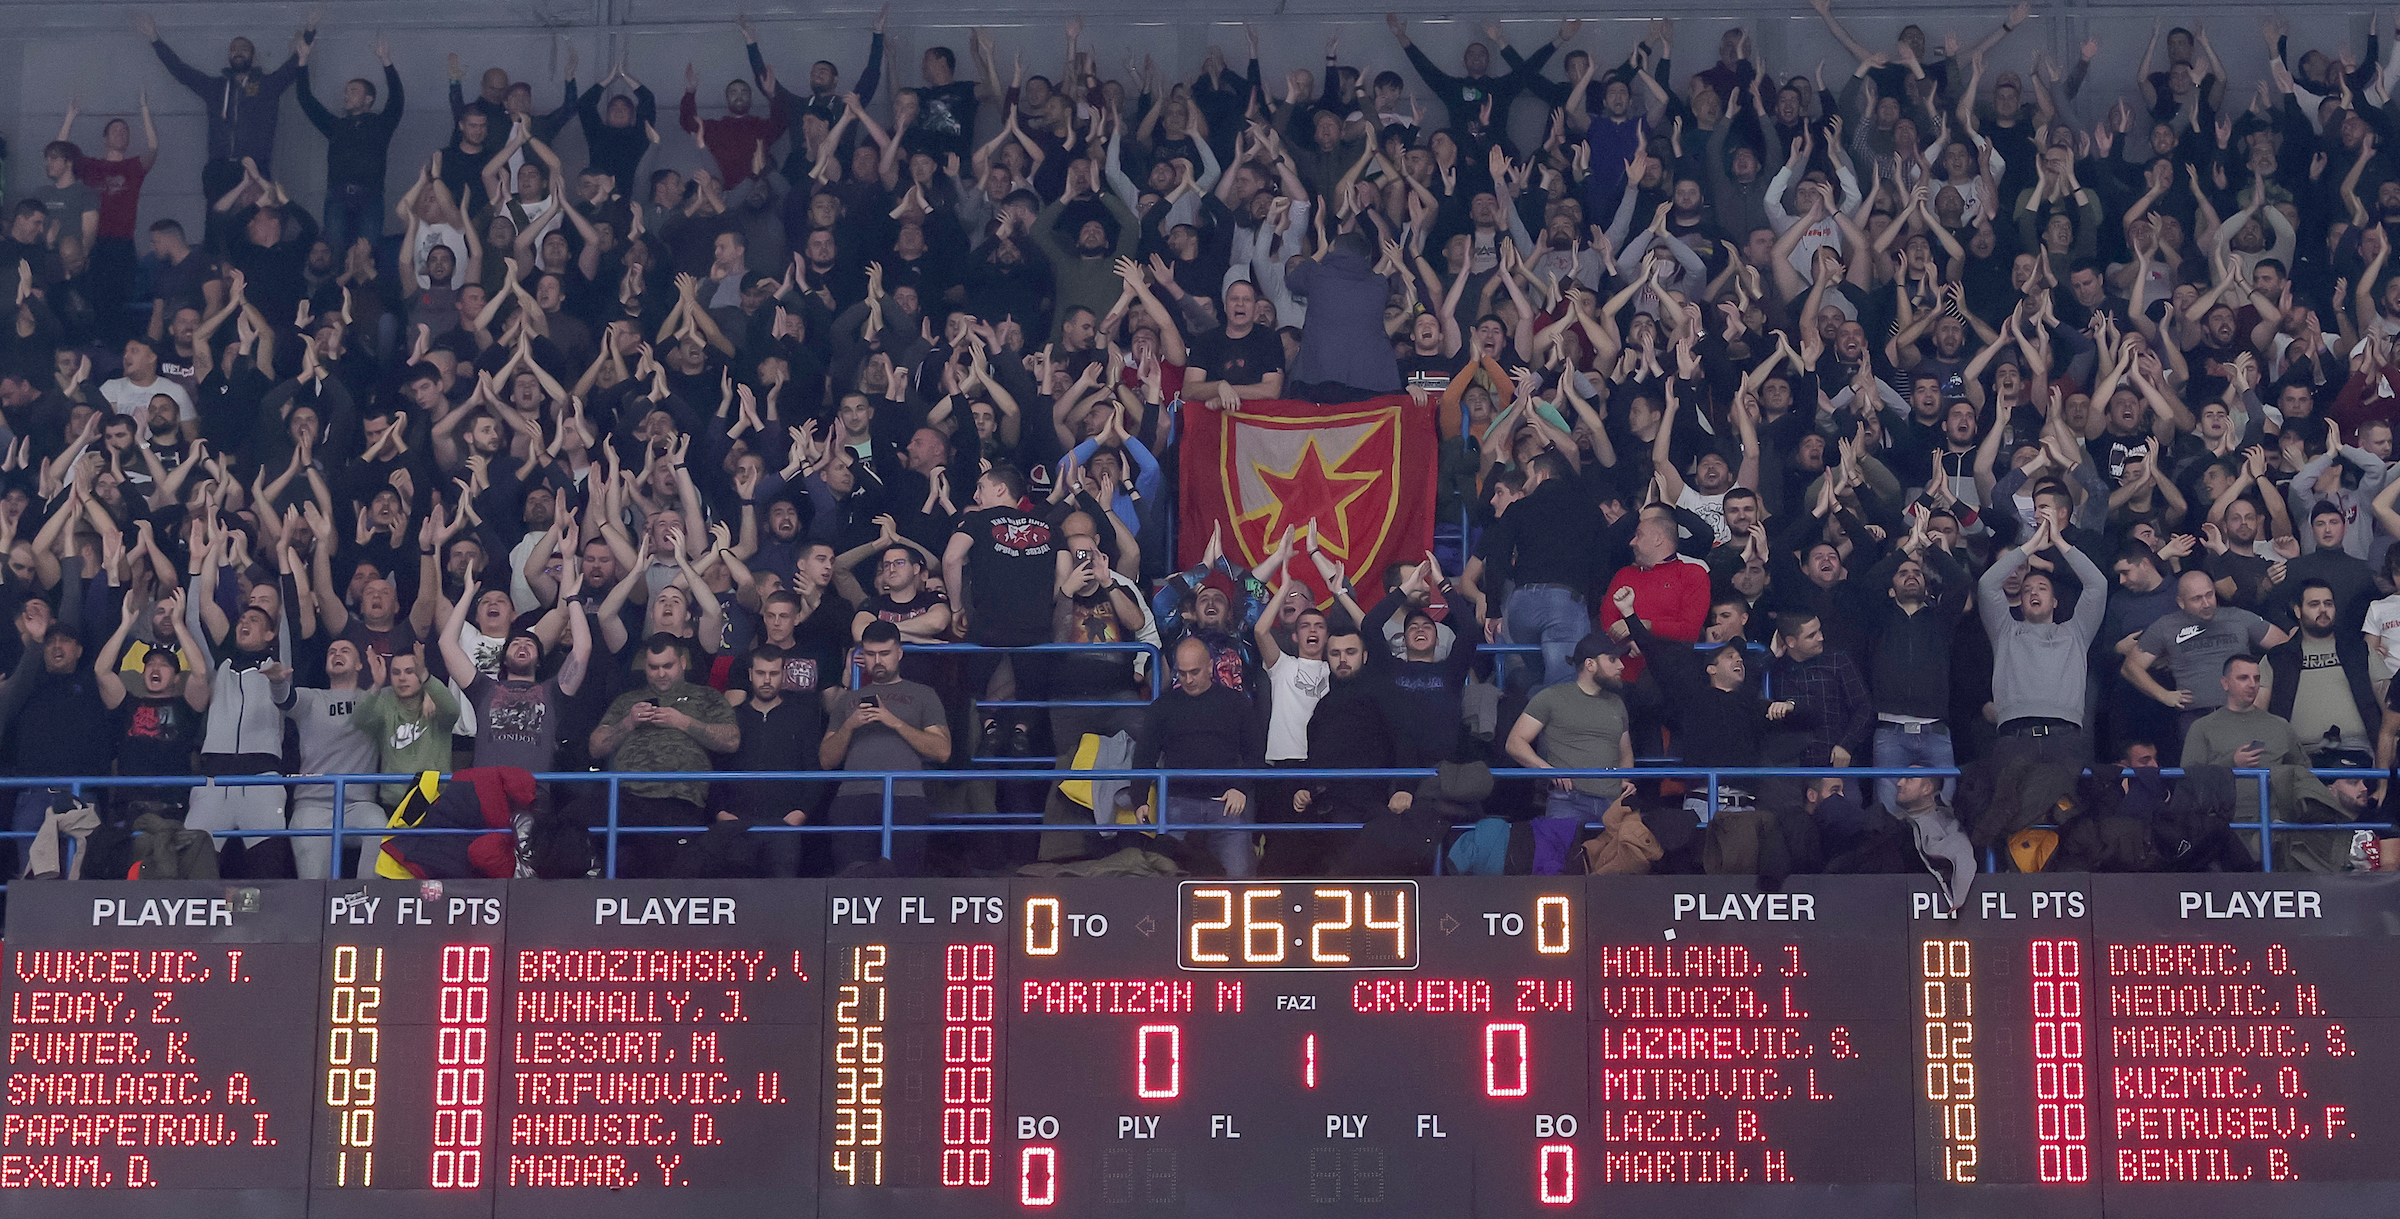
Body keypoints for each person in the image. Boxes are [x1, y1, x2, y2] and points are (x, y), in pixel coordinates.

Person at [589, 633, 741, 878]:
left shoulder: (708, 696)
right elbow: (596, 747)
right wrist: (628, 722)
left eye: (667, 666)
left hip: (679, 798)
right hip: (627, 796)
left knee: (666, 870)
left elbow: (731, 740)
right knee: (572, 817)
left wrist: (684, 722)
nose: (660, 674)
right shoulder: (628, 700)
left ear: (682, 663)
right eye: (653, 667)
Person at [821, 620, 951, 875]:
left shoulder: (924, 694)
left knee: (904, 880)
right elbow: (826, 760)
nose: (878, 661)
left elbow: (943, 751)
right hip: (853, 797)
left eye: (884, 653)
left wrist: (895, 722)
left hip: (906, 797)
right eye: (870, 654)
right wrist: (850, 725)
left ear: (899, 653)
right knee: (852, 879)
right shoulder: (848, 700)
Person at [136, 11, 310, 198]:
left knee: (255, 216)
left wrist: (310, 28)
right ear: (228, 57)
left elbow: (292, 66)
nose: (238, 51)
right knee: (218, 216)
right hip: (219, 169)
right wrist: (154, 38)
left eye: (244, 48)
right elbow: (182, 71)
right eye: (233, 49)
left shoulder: (267, 86)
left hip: (255, 168)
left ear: (253, 57)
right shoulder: (215, 88)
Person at [1979, 516, 2107, 764]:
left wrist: (2059, 541)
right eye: (2027, 590)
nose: (2033, 592)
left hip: (2065, 736)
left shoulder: (2076, 632)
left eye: (2042, 588)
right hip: (2014, 735)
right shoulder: (2005, 631)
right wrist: (2029, 547)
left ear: (2055, 602)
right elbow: (1987, 585)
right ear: (2021, 602)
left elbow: (2097, 585)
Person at [1134, 637, 1266, 877]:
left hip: (1225, 804)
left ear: (1210, 666)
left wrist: (1240, 788)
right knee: (1167, 877)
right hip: (1178, 802)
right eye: (1182, 673)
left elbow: (1255, 753)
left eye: (1194, 672)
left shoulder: (1236, 703)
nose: (1188, 679)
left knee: (1239, 879)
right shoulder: (1163, 707)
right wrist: (1139, 798)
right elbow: (1144, 754)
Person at [274, 638, 387, 878]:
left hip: (358, 805)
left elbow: (410, 699)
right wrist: (276, 681)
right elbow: (285, 698)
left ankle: (365, 896)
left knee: (379, 826)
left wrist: (380, 686)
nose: (337, 654)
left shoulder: (376, 699)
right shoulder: (312, 698)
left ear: (360, 664)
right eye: (331, 651)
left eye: (345, 650)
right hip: (313, 805)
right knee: (315, 886)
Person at [293, 31, 404, 253]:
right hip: (337, 195)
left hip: (371, 195)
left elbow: (397, 100)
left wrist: (387, 62)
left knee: (366, 251)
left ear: (368, 99)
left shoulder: (381, 125)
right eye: (346, 91)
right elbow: (306, 100)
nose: (346, 95)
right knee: (334, 249)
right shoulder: (336, 126)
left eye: (353, 91)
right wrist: (302, 61)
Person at [1504, 634, 1633, 822]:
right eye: (1612, 659)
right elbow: (1514, 742)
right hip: (1568, 801)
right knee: (1561, 842)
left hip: (1612, 802)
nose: (1621, 665)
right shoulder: (1552, 697)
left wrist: (1625, 779)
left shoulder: (1617, 703)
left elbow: (1626, 752)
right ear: (1590, 664)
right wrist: (1548, 770)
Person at [721, 645, 823, 878]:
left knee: (782, 895)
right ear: (750, 674)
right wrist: (720, 811)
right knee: (735, 892)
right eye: (760, 673)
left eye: (773, 673)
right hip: (736, 824)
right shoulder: (732, 717)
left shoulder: (802, 717)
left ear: (783, 675)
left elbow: (814, 770)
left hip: (783, 825)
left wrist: (801, 812)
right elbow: (716, 767)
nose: (767, 680)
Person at [351, 649, 462, 807]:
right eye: (396, 672)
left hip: (434, 800)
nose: (402, 678)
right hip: (393, 801)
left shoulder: (435, 701)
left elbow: (452, 711)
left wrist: (427, 682)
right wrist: (376, 685)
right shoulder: (384, 700)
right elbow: (359, 720)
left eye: (410, 672)